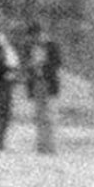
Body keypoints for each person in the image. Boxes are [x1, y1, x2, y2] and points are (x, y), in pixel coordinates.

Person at [20, 20, 63, 156]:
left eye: (33, 36)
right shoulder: (29, 47)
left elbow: (57, 63)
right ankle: (41, 147)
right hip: (36, 83)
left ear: (39, 34)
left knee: (50, 116)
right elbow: (25, 64)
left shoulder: (52, 46)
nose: (32, 39)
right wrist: (31, 67)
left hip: (48, 83)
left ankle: (51, 147)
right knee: (39, 116)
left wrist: (42, 66)